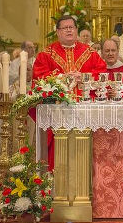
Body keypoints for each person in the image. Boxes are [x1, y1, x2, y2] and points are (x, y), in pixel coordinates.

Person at [33, 16, 106, 169]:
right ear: (58, 32)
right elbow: (39, 78)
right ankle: (57, 184)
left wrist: (84, 77)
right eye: (65, 28)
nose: (68, 30)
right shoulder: (46, 54)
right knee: (58, 153)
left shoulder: (90, 52)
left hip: (85, 111)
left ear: (76, 30)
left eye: (71, 27)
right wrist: (62, 78)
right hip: (58, 112)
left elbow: (102, 73)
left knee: (86, 151)